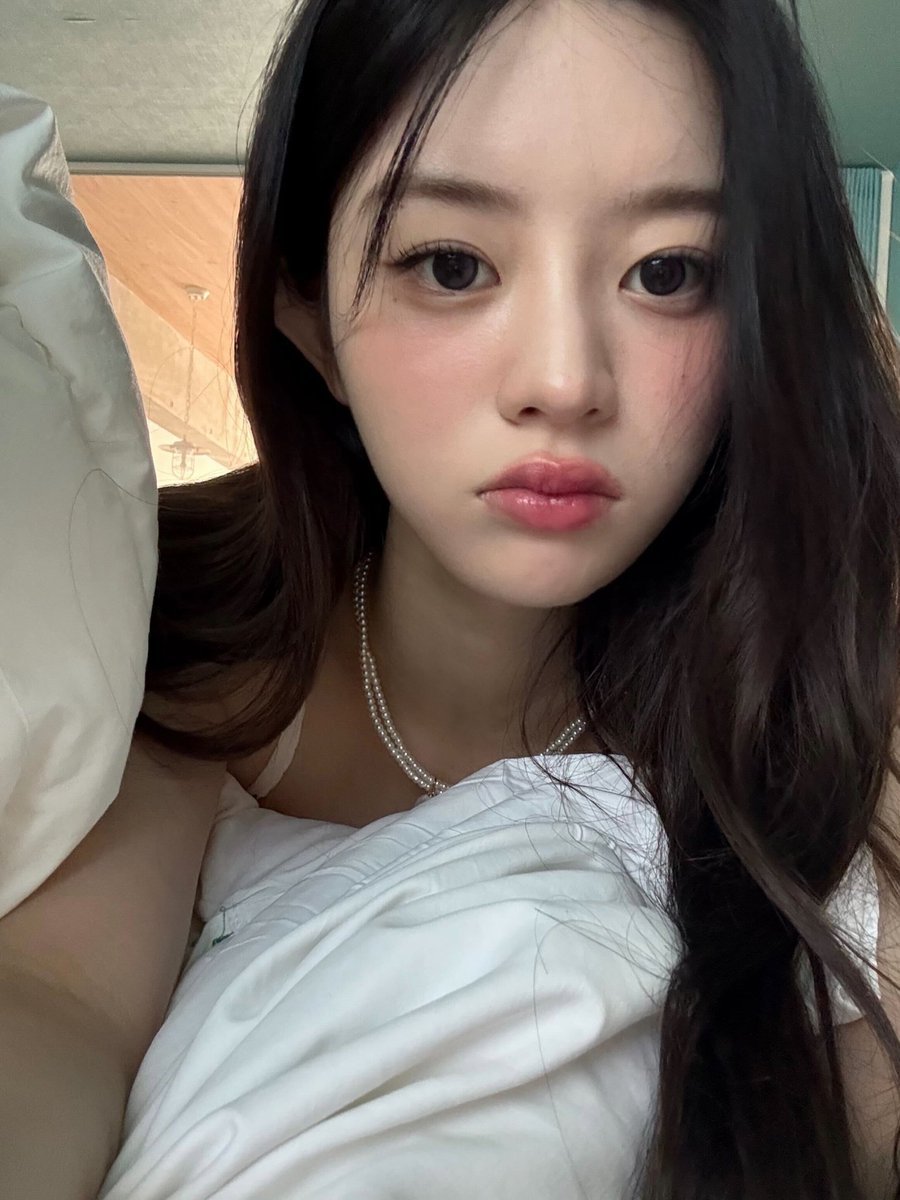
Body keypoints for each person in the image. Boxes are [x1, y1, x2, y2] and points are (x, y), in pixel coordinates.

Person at [2, 0, 900, 1196]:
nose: (564, 381)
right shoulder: (165, 623)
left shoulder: (833, 667)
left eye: (670, 273)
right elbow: (57, 1004)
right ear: (307, 311)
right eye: (452, 265)